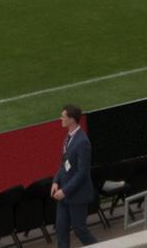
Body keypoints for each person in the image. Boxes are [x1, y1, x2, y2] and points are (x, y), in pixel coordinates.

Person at [52, 104, 97, 247]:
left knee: (79, 230)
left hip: (76, 195)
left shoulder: (82, 142)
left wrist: (64, 191)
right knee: (61, 230)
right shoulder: (68, 138)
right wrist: (55, 181)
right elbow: (63, 164)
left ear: (72, 119)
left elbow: (83, 173)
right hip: (65, 195)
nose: (61, 119)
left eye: (63, 116)